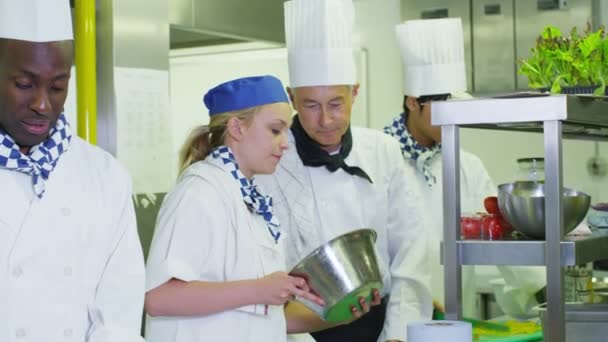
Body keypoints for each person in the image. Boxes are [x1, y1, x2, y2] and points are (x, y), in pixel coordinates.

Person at [256, 1, 433, 341]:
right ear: (292, 97)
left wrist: (398, 334)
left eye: (336, 104)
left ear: (355, 92)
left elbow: (411, 253)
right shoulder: (270, 161)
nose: (325, 120)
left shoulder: (383, 151)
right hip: (300, 330)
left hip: (380, 326)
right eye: (310, 105)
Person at [144, 75, 369, 342]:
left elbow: (269, 316)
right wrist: (259, 290)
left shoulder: (251, 198)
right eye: (275, 130)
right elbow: (158, 297)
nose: (285, 143)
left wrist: (340, 313)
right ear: (237, 128)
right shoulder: (199, 191)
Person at [0, 0, 146, 341]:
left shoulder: (105, 176)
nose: (41, 104)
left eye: (57, 86)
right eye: (23, 84)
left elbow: (119, 315)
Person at [385, 18, 545, 319]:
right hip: (394, 324)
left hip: (456, 319)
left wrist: (542, 289)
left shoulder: (467, 166)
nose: (453, 117)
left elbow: (500, 232)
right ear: (412, 102)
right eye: (444, 105)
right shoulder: (380, 158)